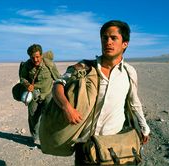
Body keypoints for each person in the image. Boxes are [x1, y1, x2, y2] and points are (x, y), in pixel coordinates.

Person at [52, 20, 150, 164]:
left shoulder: (129, 72)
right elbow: (58, 85)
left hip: (114, 141)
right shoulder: (84, 67)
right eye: (104, 38)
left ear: (125, 44)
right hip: (86, 143)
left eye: (113, 38)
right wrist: (66, 107)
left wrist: (144, 127)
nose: (108, 42)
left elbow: (134, 102)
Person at [20, 44, 60, 142]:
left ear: (41, 55)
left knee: (49, 117)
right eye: (33, 58)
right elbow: (22, 78)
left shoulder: (49, 64)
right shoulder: (27, 65)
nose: (36, 60)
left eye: (37, 57)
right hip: (34, 96)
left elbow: (58, 78)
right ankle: (35, 137)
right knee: (33, 117)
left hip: (48, 94)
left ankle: (48, 137)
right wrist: (27, 84)